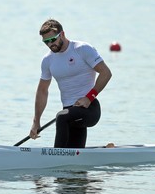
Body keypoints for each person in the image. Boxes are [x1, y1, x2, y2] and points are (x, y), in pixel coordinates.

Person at [29, 19, 112, 148]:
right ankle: (80, 163)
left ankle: (56, 159)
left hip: (89, 108)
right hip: (69, 113)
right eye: (46, 42)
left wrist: (88, 98)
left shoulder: (82, 49)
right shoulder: (47, 60)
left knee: (61, 118)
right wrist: (36, 121)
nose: (50, 44)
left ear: (62, 34)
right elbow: (42, 91)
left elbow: (106, 73)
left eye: (53, 39)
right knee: (74, 156)